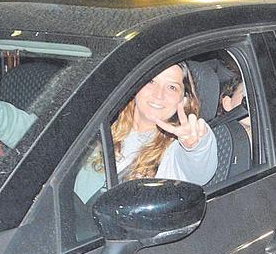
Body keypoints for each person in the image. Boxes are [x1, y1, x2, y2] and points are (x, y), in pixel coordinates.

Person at [75, 62, 217, 200]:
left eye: (172, 87)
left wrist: (195, 145)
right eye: (151, 81)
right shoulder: (101, 121)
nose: (158, 95)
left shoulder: (174, 151)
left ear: (184, 100)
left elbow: (199, 170)